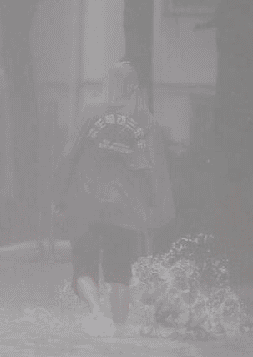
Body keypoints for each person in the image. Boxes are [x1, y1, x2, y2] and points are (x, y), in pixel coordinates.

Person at [54, 61, 174, 325]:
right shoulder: (146, 123)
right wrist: (157, 209)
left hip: (85, 206)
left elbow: (67, 157)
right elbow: (155, 171)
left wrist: (59, 197)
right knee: (119, 276)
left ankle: (96, 311)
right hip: (125, 211)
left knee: (84, 268)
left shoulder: (90, 113)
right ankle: (119, 330)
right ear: (134, 87)